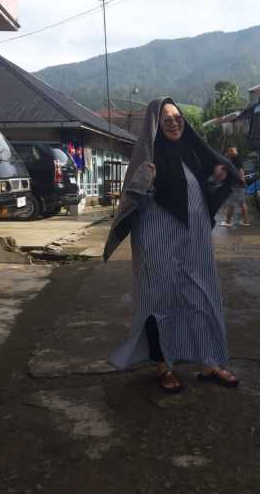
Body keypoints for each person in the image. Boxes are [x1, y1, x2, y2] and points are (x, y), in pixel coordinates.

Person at [103, 97, 244, 393]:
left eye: (178, 118)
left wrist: (215, 180)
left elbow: (200, 195)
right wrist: (146, 182)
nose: (174, 123)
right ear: (155, 126)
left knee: (202, 297)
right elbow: (132, 202)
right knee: (159, 301)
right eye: (166, 119)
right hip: (157, 241)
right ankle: (164, 366)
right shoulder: (147, 159)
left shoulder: (192, 155)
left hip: (194, 241)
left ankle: (208, 363)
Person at [220, 146, 250, 227]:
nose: (227, 153)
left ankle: (227, 222)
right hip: (239, 184)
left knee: (231, 203)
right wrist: (243, 182)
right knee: (242, 202)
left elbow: (241, 170)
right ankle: (246, 221)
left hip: (235, 184)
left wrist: (242, 180)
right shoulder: (234, 160)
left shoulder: (234, 160)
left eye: (229, 151)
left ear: (231, 152)